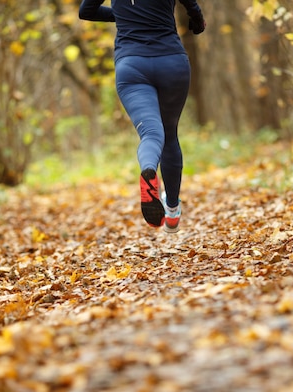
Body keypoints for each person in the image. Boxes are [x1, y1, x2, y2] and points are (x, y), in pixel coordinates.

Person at [79, 0, 206, 233]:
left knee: (151, 132)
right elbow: (193, 9)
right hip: (172, 62)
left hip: (132, 66)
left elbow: (86, 11)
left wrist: (122, 15)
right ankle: (173, 210)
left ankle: (149, 169)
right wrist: (197, 21)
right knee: (169, 134)